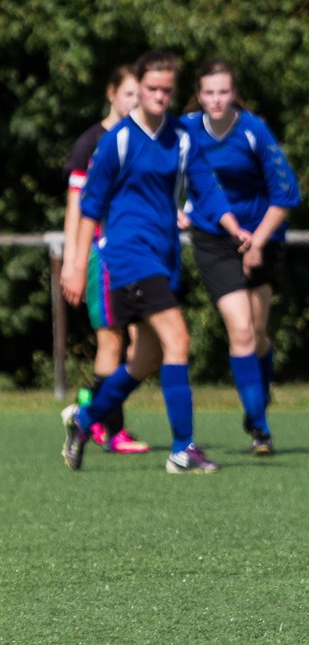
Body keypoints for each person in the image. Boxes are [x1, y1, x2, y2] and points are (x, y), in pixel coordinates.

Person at [61, 49, 234, 474]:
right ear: (137, 89)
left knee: (145, 360)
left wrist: (233, 224)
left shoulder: (182, 137)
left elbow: (206, 189)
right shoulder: (118, 140)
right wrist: (78, 264)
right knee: (179, 337)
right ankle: (183, 449)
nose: (159, 95)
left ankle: (84, 420)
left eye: (167, 89)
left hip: (163, 256)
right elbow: (90, 205)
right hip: (128, 254)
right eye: (151, 88)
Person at [180, 59, 300, 456]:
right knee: (242, 330)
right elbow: (161, 173)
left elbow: (285, 194)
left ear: (234, 93)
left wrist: (259, 242)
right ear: (199, 95)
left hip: (262, 235)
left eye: (224, 92)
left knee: (260, 333)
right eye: (209, 93)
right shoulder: (186, 130)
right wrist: (173, 207)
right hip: (214, 239)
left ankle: (258, 397)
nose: (216, 100)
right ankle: (259, 427)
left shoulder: (253, 130)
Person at [60, 65, 150, 455]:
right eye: (129, 94)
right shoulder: (91, 142)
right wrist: (73, 261)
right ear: (111, 94)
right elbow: (76, 208)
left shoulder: (142, 139)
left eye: (140, 95)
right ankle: (110, 429)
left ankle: (88, 404)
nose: (135, 102)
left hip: (135, 252)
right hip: (102, 254)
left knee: (144, 344)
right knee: (111, 340)